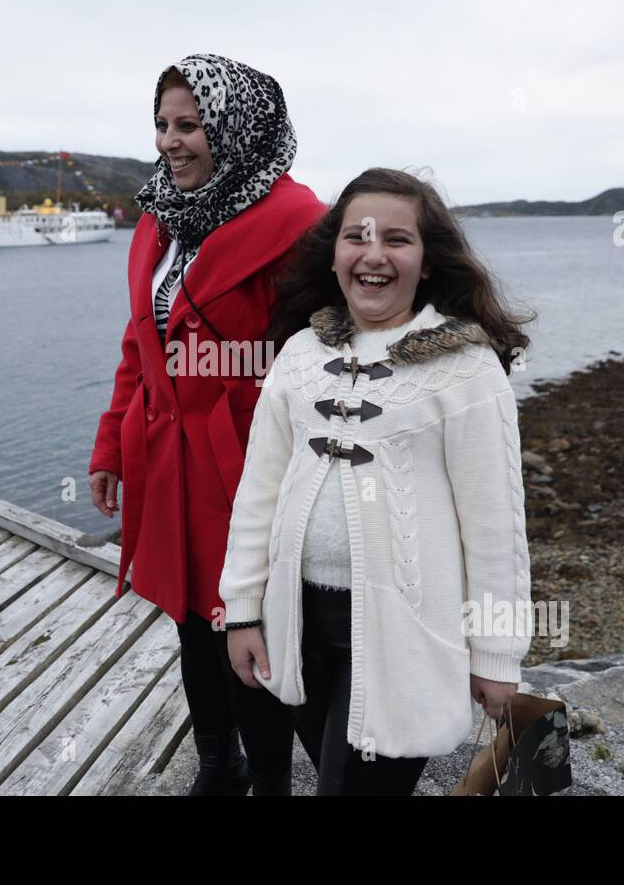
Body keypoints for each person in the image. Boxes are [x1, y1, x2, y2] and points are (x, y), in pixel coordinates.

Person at [220, 167, 537, 795]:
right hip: (297, 621)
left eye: (397, 239)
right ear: (334, 252)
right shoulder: (300, 353)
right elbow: (258, 490)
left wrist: (497, 655)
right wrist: (243, 612)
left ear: (427, 260)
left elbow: (494, 524)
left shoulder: (466, 369)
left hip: (408, 635)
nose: (374, 254)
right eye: (356, 237)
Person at [88, 54, 326, 795]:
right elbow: (140, 343)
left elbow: (323, 357)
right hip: (166, 463)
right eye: (161, 124)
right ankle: (217, 762)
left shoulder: (299, 226)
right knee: (193, 623)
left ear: (234, 128)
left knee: (246, 628)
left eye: (188, 125)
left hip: (246, 469)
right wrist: (111, 445)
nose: (169, 141)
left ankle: (270, 781)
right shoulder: (161, 217)